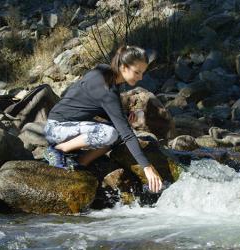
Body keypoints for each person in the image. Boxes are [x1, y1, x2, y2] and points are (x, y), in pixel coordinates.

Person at [44, 45, 162, 193]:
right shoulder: (107, 88)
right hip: (57, 128)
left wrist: (123, 119)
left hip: (66, 127)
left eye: (142, 73)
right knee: (111, 133)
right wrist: (147, 167)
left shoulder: (104, 71)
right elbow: (126, 133)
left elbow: (94, 104)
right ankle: (58, 150)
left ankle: (80, 164)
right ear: (124, 67)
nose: (140, 77)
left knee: (116, 133)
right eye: (137, 72)